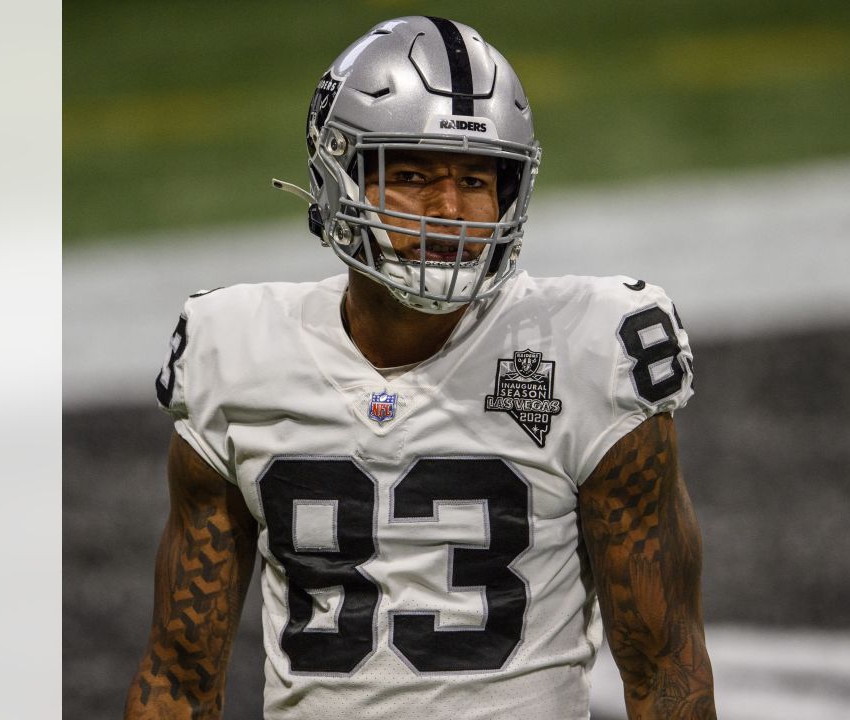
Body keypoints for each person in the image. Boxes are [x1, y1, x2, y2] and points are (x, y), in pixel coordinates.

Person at [125, 15, 715, 720]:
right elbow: (180, 676)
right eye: (408, 175)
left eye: (476, 179)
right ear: (336, 179)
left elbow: (664, 667)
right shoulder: (236, 351)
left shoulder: (589, 348)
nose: (450, 211)